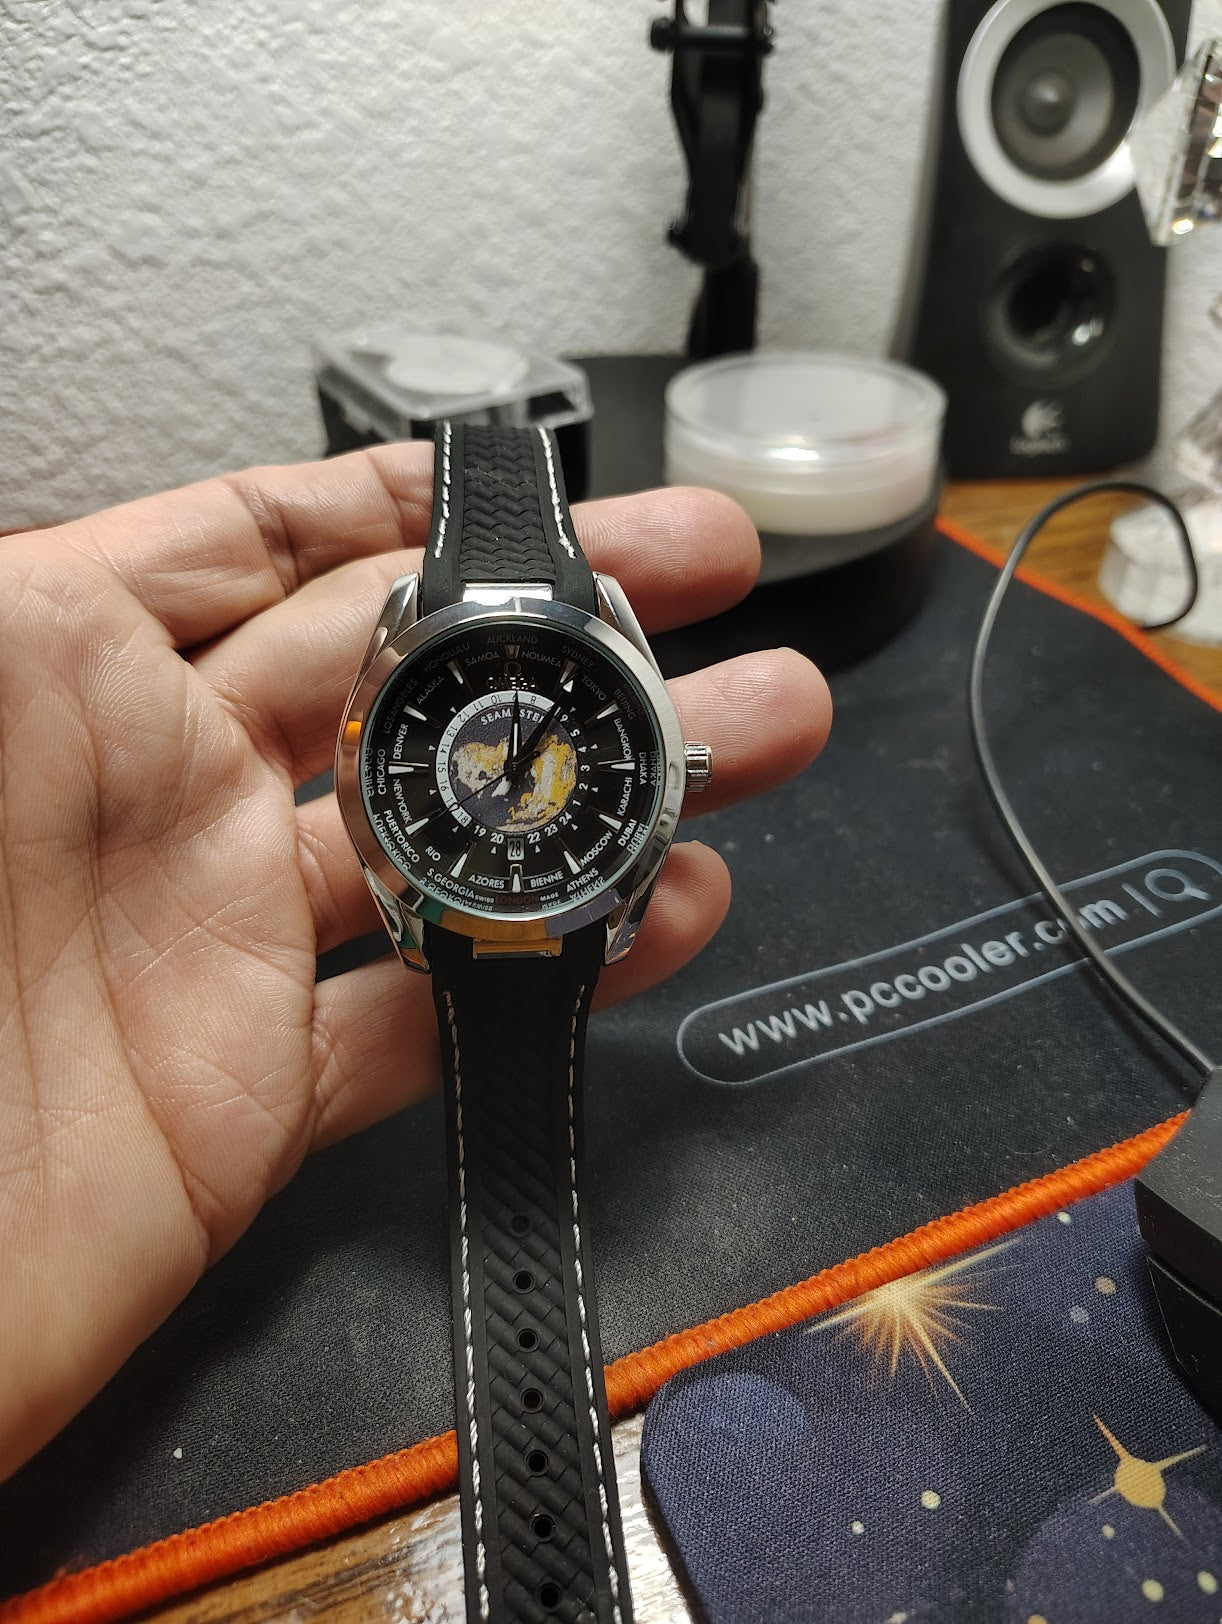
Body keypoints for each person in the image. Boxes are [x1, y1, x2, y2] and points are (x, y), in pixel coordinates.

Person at [0, 442, 832, 1482]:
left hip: (552, 901)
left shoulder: (482, 660)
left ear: (673, 764)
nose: (516, 772)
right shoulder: (409, 689)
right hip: (468, 901)